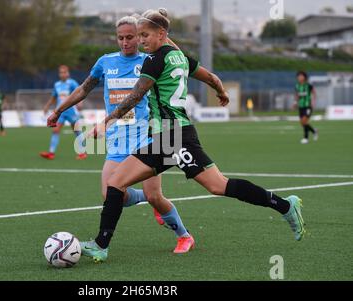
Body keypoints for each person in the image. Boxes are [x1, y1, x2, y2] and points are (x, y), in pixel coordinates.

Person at [48, 8, 306, 263]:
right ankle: (101, 245)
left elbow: (137, 95)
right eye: (138, 35)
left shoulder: (153, 60)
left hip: (177, 137)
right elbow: (212, 76)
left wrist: (106, 121)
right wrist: (221, 91)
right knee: (116, 183)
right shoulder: (181, 57)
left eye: (144, 35)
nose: (140, 40)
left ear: (160, 34)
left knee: (218, 186)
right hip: (162, 139)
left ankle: (284, 205)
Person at [47, 16, 195, 254]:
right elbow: (84, 88)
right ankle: (143, 200)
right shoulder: (106, 62)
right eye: (121, 38)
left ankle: (184, 236)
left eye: (130, 37)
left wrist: (163, 32)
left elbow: (181, 60)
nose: (125, 42)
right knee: (110, 194)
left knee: (155, 196)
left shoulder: (151, 60)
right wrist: (58, 110)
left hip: (149, 137)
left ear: (140, 36)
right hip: (118, 140)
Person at [40, 65, 87, 160]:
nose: (63, 74)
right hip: (60, 112)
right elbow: (54, 97)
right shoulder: (57, 84)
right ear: (59, 74)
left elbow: (80, 92)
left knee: (77, 131)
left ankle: (82, 153)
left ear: (68, 73)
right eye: (61, 72)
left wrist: (80, 103)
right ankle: (51, 153)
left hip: (71, 111)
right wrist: (47, 106)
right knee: (55, 130)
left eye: (65, 72)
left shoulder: (72, 83)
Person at [295, 71, 318, 144]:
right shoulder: (297, 86)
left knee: (304, 121)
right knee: (302, 123)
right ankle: (314, 131)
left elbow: (314, 93)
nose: (299, 77)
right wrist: (295, 102)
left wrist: (313, 102)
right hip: (301, 106)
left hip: (308, 106)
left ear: (304, 77)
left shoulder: (308, 85)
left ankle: (306, 138)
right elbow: (297, 95)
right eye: (298, 76)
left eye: (301, 76)